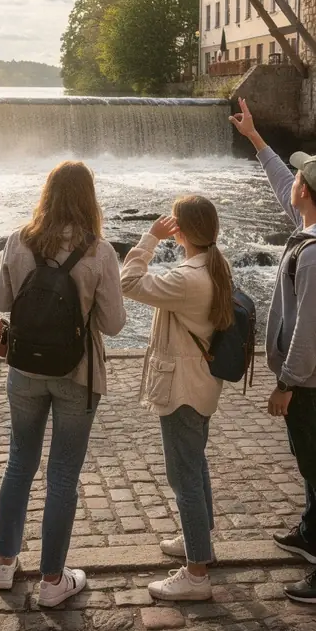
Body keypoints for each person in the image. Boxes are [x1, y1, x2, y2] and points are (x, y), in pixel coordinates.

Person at [229, 97, 316, 604]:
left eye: (297, 179)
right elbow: (280, 189)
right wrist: (256, 139)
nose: (291, 185)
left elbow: (309, 330)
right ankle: (312, 536)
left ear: (305, 191)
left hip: (309, 376)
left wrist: (286, 384)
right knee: (311, 459)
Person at [0, 161, 126, 606]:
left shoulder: (18, 240)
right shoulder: (99, 252)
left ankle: (5, 566)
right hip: (77, 373)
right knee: (62, 476)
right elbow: (114, 324)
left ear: (46, 194)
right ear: (89, 199)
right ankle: (53, 582)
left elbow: (1, 301)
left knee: (18, 464)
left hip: (25, 371)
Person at [121, 196, 234, 601]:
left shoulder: (187, 279)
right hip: (201, 383)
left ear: (181, 231)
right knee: (193, 464)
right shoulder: (216, 267)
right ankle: (197, 540)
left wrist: (149, 239)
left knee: (183, 476)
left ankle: (196, 574)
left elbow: (128, 283)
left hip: (183, 387)